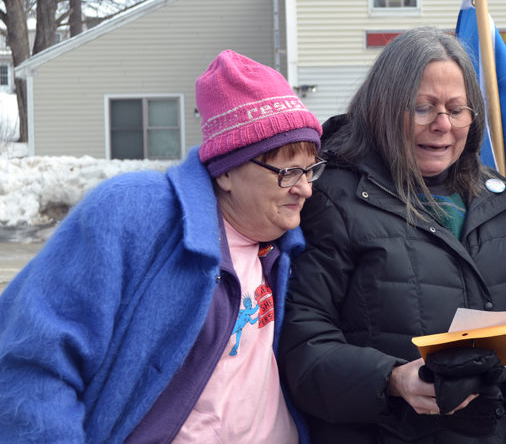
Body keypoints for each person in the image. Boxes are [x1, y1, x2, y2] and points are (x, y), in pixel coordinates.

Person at [0, 50, 324, 443]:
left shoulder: (286, 247)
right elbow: (31, 361)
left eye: (309, 169)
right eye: (287, 172)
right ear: (227, 172)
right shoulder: (134, 215)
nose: (305, 188)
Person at [277, 26, 506, 443]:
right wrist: (392, 380)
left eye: (457, 109)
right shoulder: (331, 198)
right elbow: (302, 349)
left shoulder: (493, 197)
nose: (443, 125)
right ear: (382, 108)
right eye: (422, 108)